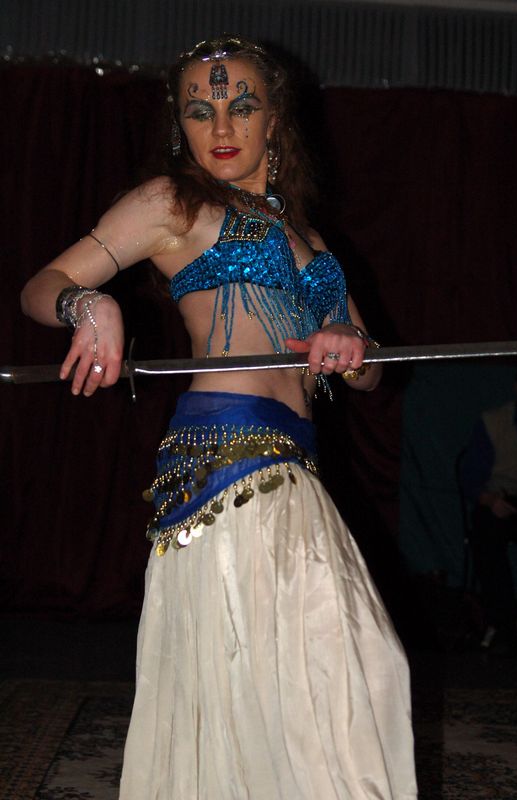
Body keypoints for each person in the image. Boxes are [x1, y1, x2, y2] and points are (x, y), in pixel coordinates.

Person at [21, 36, 417, 799]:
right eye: (199, 111)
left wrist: (347, 340)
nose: (222, 125)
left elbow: (370, 375)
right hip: (228, 457)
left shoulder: (311, 239)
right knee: (310, 673)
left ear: (276, 120)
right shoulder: (174, 202)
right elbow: (45, 283)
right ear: (181, 126)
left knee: (331, 676)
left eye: (242, 105)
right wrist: (87, 303)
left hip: (292, 462)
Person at [460, 363, 517, 654]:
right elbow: (471, 477)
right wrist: (490, 500)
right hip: (501, 499)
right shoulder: (493, 422)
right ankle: (504, 622)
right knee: (485, 532)